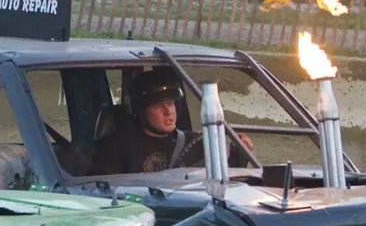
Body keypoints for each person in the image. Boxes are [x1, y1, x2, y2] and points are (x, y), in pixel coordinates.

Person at [92, 70, 252, 174]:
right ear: (140, 111)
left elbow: (221, 183)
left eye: (170, 103)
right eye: (158, 105)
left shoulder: (195, 142)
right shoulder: (118, 148)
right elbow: (103, 192)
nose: (168, 111)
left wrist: (239, 154)